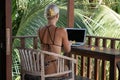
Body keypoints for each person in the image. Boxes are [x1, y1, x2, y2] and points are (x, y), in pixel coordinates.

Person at [38, 4, 72, 77]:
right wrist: (69, 44)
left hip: (41, 68)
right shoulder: (61, 31)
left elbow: (48, 46)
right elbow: (67, 50)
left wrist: (58, 47)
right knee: (66, 68)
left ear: (46, 16)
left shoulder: (40, 30)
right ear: (57, 16)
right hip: (53, 70)